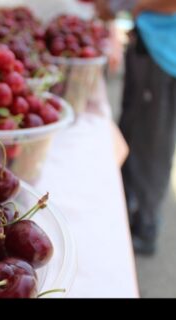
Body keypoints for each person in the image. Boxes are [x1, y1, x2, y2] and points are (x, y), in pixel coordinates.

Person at [96, 0, 176, 255]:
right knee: (132, 131)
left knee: (152, 143)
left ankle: (145, 226)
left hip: (165, 55)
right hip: (150, 44)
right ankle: (128, 213)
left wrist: (136, 6)